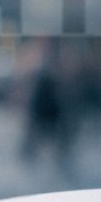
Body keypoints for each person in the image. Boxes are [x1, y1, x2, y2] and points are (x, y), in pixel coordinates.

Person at [21, 42, 75, 178]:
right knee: (34, 132)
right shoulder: (36, 56)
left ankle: (61, 157)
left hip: (52, 105)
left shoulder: (59, 58)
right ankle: (29, 154)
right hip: (41, 104)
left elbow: (66, 81)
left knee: (60, 134)